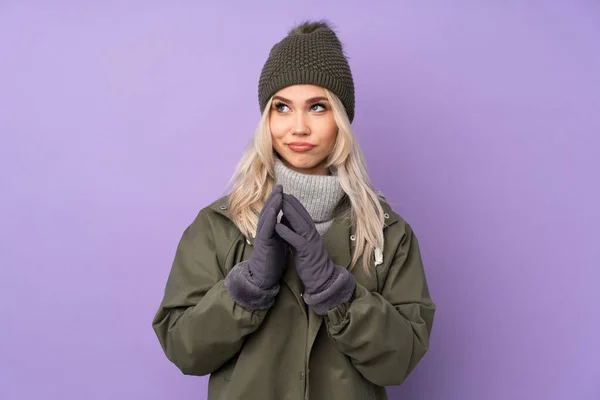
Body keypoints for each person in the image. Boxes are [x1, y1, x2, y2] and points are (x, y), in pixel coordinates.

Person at [152, 19, 436, 400]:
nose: (298, 127)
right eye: (282, 107)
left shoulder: (387, 234)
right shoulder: (219, 226)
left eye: (317, 107)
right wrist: (247, 288)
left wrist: (337, 293)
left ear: (340, 119)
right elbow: (184, 349)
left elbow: (399, 362)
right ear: (266, 119)